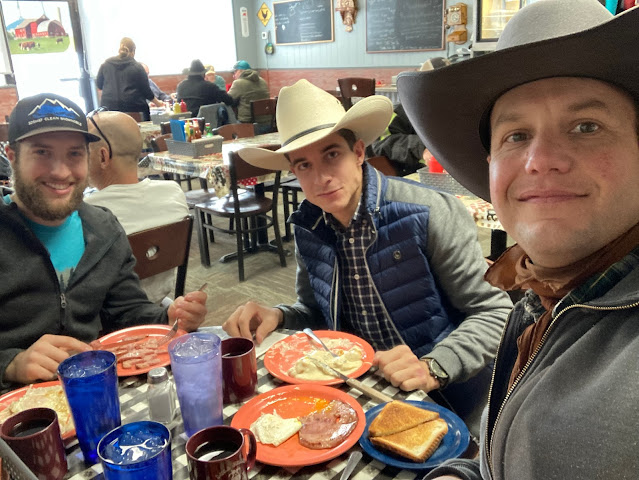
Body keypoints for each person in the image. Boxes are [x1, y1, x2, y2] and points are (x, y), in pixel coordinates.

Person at [397, 1, 639, 478]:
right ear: (491, 165)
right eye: (516, 135)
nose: (540, 160)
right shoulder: (539, 296)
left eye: (586, 126)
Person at [223, 79, 513, 436]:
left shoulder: (430, 212)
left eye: (332, 155)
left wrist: (434, 367)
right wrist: (279, 315)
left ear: (358, 152)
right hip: (361, 398)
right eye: (304, 165)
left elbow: (495, 313)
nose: (321, 178)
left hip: (449, 400)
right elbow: (318, 313)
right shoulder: (309, 226)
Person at [0, 93, 207, 393]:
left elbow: (126, 312)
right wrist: (10, 364)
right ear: (12, 156)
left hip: (98, 393)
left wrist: (169, 317)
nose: (61, 172)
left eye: (74, 154)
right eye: (42, 152)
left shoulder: (103, 228)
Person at [84, 110, 189, 304]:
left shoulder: (86, 212)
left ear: (103, 156)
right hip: (161, 303)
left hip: (110, 313)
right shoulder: (173, 191)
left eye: (82, 150)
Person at [367, 57, 450, 176]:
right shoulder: (402, 112)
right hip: (412, 175)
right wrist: (421, 149)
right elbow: (382, 142)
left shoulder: (457, 112)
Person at [96, 37, 160, 121]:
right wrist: (158, 103)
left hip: (108, 109)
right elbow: (147, 92)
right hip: (134, 109)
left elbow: (99, 85)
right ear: (133, 52)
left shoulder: (106, 64)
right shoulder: (137, 67)